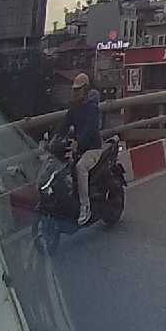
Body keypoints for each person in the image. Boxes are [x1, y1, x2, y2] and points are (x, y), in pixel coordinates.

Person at [57, 73, 102, 224]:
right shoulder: (74, 107)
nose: (75, 92)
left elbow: (90, 130)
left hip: (93, 149)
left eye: (78, 89)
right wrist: (53, 140)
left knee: (80, 167)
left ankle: (85, 207)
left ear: (86, 89)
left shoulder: (92, 108)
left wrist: (79, 142)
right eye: (74, 89)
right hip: (79, 149)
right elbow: (63, 125)